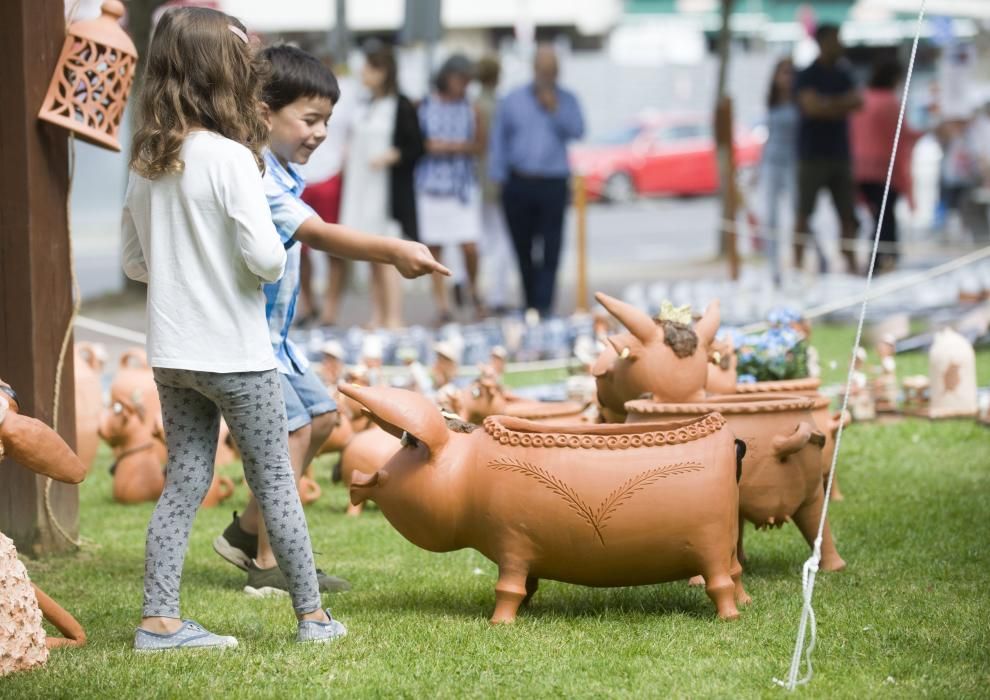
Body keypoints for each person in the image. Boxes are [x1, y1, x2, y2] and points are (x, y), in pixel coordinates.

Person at [121, 7, 344, 649]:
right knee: (274, 479)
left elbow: (137, 264)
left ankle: (159, 621)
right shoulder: (231, 158)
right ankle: (312, 618)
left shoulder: (147, 159)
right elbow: (268, 257)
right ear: (225, 74)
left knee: (185, 479)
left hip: (172, 353)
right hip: (239, 357)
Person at [212, 45, 448, 596]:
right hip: (248, 343)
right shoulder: (257, 179)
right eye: (310, 119)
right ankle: (270, 562)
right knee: (291, 430)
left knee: (320, 419)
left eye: (327, 121)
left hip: (277, 340)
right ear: (264, 112)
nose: (320, 133)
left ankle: (247, 532)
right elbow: (320, 234)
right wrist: (394, 250)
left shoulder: (283, 172)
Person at [489, 45, 585, 317]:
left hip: (553, 182)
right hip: (519, 183)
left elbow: (578, 130)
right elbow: (499, 141)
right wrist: (498, 178)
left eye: (551, 69)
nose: (546, 74)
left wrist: (555, 109)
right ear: (534, 69)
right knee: (523, 247)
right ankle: (530, 302)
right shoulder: (512, 100)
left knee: (551, 247)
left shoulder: (567, 100)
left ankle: (545, 305)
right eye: (542, 69)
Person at [338, 41, 425, 329]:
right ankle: (377, 315)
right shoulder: (364, 104)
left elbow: (415, 146)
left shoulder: (400, 105)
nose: (364, 73)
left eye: (370, 68)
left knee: (390, 254)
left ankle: (394, 317)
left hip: (387, 194)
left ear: (384, 71)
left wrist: (392, 156)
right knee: (372, 255)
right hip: (362, 191)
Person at [417, 54, 485, 324]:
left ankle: (472, 286)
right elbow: (419, 141)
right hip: (431, 184)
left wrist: (450, 147)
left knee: (469, 245)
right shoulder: (425, 105)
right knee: (434, 248)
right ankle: (442, 304)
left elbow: (480, 144)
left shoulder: (471, 108)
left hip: (461, 185)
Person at [793, 24, 863, 274]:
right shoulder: (807, 74)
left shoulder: (844, 73)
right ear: (822, 42)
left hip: (839, 154)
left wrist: (826, 104)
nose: (839, 44)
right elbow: (811, 108)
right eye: (835, 39)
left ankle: (851, 262)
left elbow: (857, 102)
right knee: (803, 213)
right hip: (812, 155)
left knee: (847, 213)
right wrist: (838, 105)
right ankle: (797, 265)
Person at [295, 55, 358, 326]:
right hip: (301, 174)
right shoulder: (295, 93)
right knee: (298, 248)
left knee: (334, 245)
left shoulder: (344, 95)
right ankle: (308, 304)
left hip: (330, 174)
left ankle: (330, 308)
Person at [850, 58, 923, 272]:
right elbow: (904, 135)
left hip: (860, 169)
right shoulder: (889, 103)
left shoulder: (861, 99)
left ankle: (880, 260)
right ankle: (881, 261)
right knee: (885, 218)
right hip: (882, 170)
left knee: (878, 216)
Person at [475, 56, 515, 315]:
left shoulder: (474, 103)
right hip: (496, 177)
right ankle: (495, 294)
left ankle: (477, 292)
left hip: (475, 177)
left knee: (481, 238)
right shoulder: (499, 106)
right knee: (500, 238)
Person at [759, 58, 799, 286]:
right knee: (771, 219)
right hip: (773, 163)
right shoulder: (772, 103)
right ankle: (774, 268)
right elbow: (769, 137)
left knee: (798, 216)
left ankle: (807, 261)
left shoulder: (798, 102)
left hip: (793, 164)